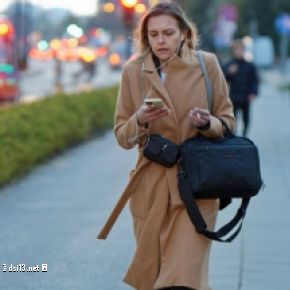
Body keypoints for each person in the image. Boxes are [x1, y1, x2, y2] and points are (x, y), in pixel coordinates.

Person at [98, 2, 234, 290]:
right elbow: (123, 136)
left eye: (168, 33)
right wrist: (140, 119)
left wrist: (207, 123)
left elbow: (228, 121)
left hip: (197, 187)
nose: (161, 40)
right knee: (154, 276)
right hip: (151, 188)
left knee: (183, 278)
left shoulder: (206, 64)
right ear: (145, 36)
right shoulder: (133, 71)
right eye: (154, 34)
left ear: (184, 34)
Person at [223, 39, 259, 137]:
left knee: (246, 118)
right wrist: (228, 72)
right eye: (236, 49)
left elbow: (255, 80)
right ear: (233, 51)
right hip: (233, 97)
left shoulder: (250, 66)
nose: (239, 51)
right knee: (233, 118)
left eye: (241, 49)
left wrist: (253, 93)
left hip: (246, 97)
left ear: (244, 50)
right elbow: (221, 79)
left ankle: (244, 134)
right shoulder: (229, 65)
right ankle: (233, 136)